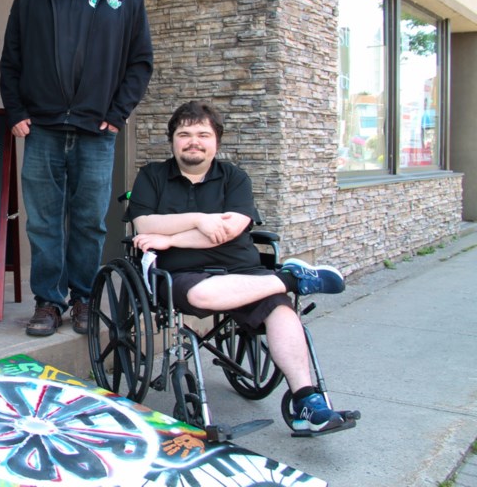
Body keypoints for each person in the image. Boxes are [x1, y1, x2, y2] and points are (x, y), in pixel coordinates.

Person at [127, 101, 355, 435]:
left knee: (281, 313)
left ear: (216, 141)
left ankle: (307, 400)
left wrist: (169, 237)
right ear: (173, 140)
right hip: (179, 275)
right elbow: (144, 222)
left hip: (243, 271)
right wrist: (199, 220)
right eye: (184, 134)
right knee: (204, 293)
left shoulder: (234, 177)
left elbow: (232, 230)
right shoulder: (152, 176)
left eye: (203, 134)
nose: (194, 141)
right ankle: (291, 279)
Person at [0, 0, 154, 337]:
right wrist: (17, 111)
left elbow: (140, 62)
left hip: (95, 131)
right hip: (43, 128)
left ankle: (84, 297)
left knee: (89, 220)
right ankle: (49, 302)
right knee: (44, 221)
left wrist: (116, 113)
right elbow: (11, 56)